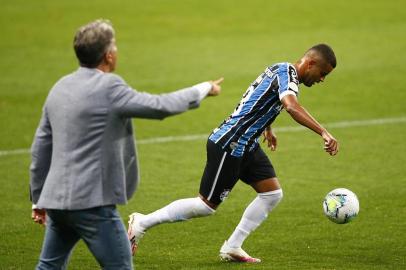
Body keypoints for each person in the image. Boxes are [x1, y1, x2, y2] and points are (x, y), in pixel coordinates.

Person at [29, 19, 223, 270]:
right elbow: (159, 106)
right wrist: (203, 88)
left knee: (48, 267)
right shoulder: (109, 86)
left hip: (56, 202)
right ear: (108, 56)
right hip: (91, 203)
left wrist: (38, 199)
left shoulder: (60, 87)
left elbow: (40, 148)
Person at [128, 44, 339, 263]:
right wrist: (323, 132)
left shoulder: (281, 69)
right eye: (323, 73)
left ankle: (233, 246)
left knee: (271, 195)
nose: (322, 79)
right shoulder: (288, 75)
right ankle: (141, 223)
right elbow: (291, 106)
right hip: (230, 143)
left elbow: (259, 97)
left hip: (247, 144)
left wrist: (266, 127)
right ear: (311, 63)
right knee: (205, 206)